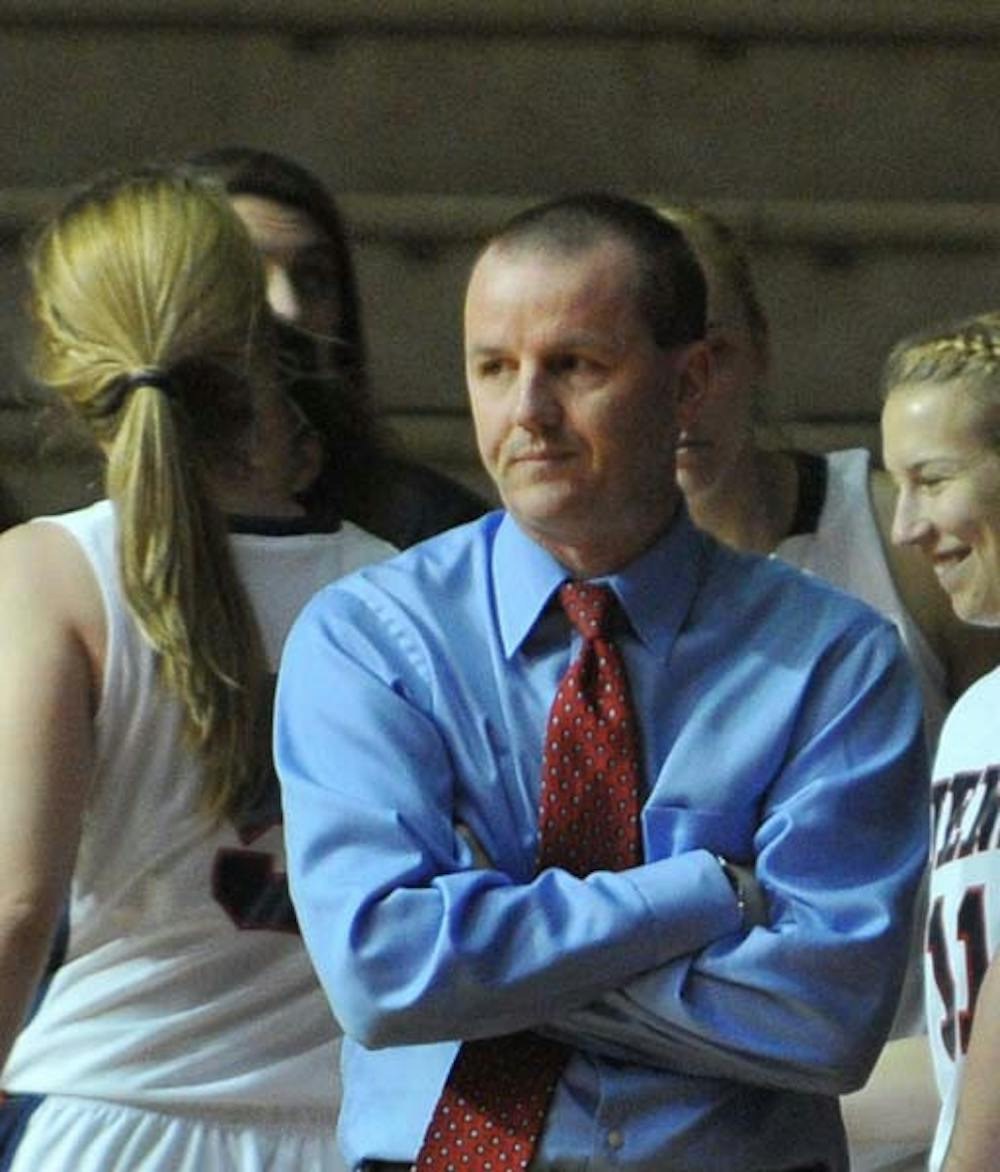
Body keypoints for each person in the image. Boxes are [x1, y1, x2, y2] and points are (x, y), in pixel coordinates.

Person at [275, 191, 928, 1172]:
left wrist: (478, 937)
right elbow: (380, 970)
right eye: (493, 368)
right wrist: (697, 893)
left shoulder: (831, 659)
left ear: (691, 380)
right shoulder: (371, 638)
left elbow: (824, 1018)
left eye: (575, 365)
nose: (526, 411)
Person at [0, 167, 395, 1170]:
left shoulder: (53, 569)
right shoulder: (394, 584)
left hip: (110, 1113)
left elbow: (13, 905)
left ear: (62, 354)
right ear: (258, 342)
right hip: (340, 1125)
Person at [656, 204, 1000, 1171]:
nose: (686, 390)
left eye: (711, 348)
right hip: (824, 1101)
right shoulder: (548, 606)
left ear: (758, 350)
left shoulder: (884, 536)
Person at [189, 147, 490, 547]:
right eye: (244, 274)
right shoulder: (101, 542)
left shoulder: (433, 533)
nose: (289, 309)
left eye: (313, 278)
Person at [881, 311, 1000, 1172]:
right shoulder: (975, 717)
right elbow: (955, 1070)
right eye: (897, 486)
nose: (907, 529)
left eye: (934, 478)